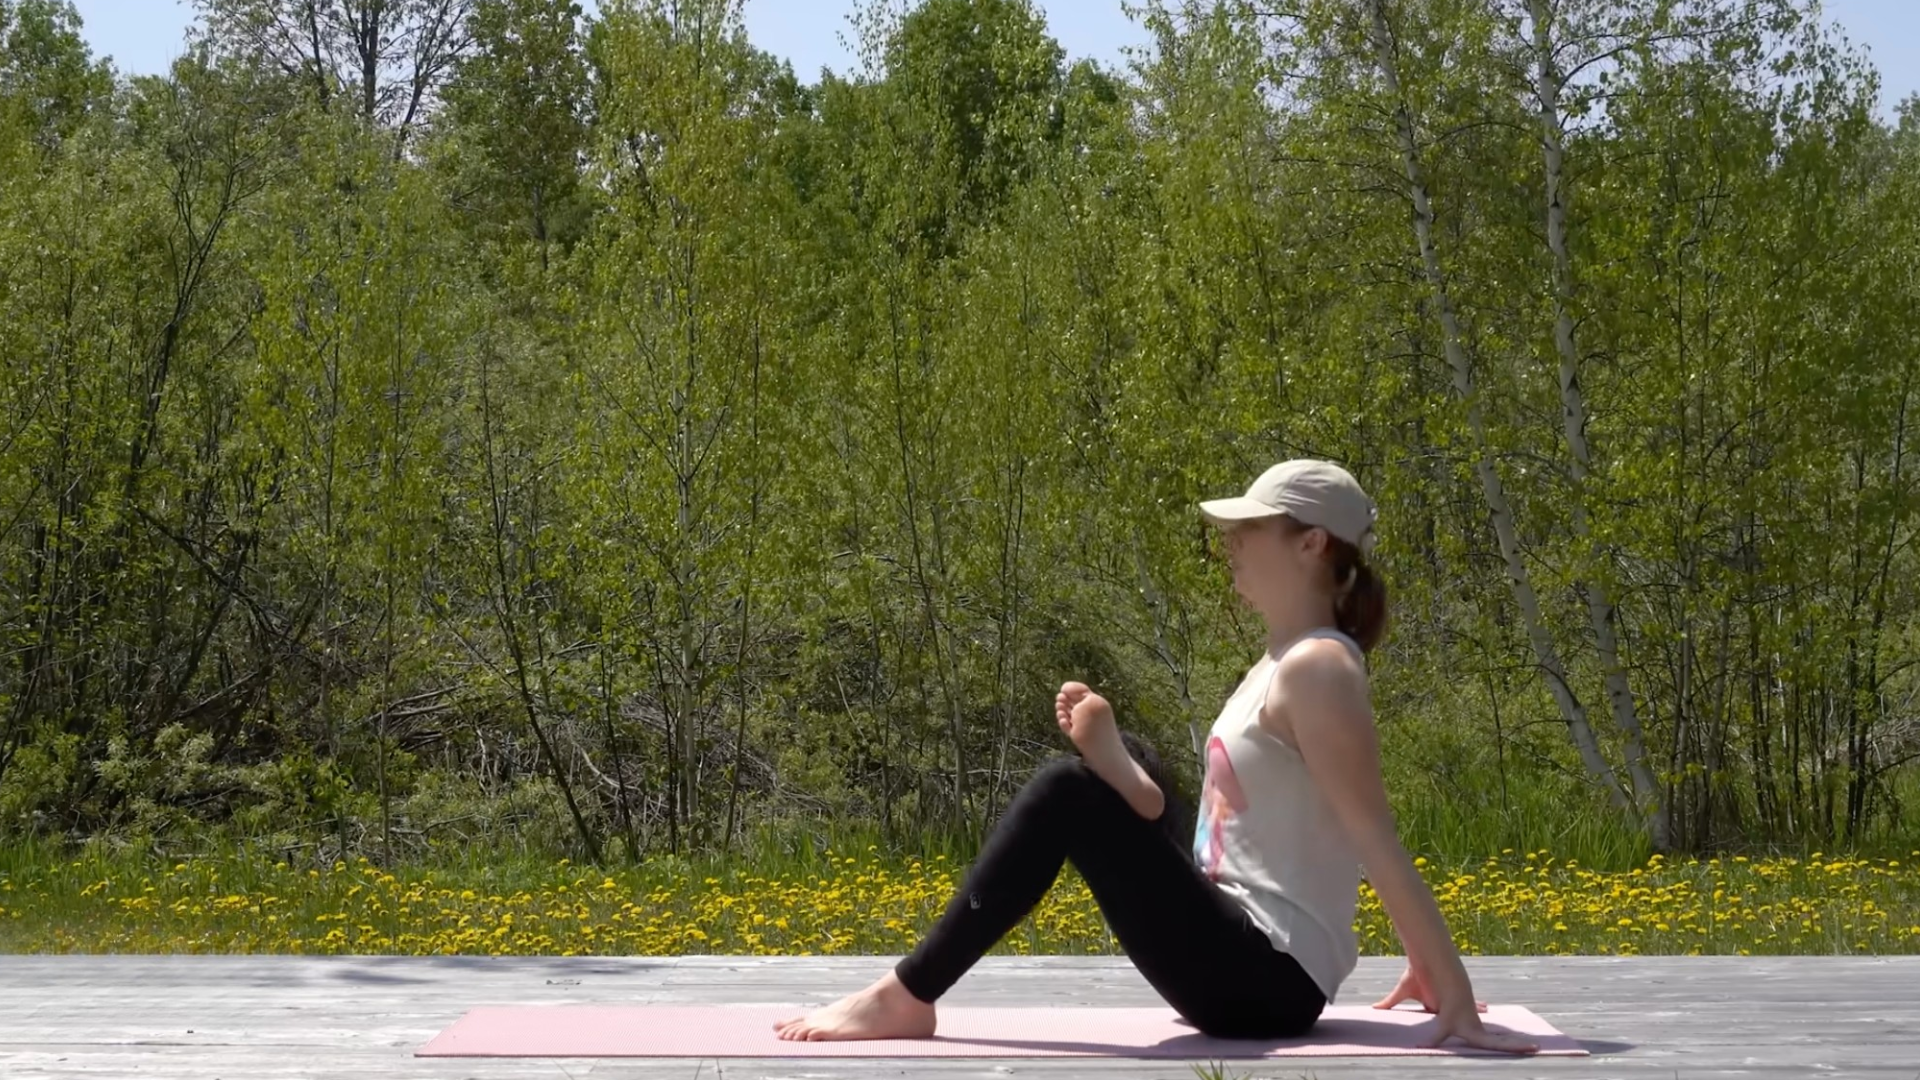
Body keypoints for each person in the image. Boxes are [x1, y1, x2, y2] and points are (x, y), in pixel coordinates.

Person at [774, 460, 1537, 1054]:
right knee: (1125, 761)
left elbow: (1374, 834)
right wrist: (1421, 967)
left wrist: (1456, 998)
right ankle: (1131, 778)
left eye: (1252, 528)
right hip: (1236, 948)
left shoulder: (1318, 669)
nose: (1230, 542)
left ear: (1310, 544)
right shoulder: (1279, 663)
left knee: (1064, 793)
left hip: (1261, 984)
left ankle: (908, 994)